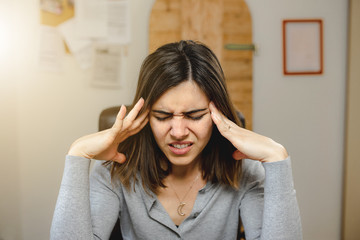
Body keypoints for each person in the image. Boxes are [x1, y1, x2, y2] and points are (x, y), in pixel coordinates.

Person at [50, 40, 302, 240]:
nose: (179, 131)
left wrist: (277, 158)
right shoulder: (116, 172)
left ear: (218, 114)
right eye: (163, 116)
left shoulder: (244, 171)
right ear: (146, 115)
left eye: (194, 115)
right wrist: (78, 153)